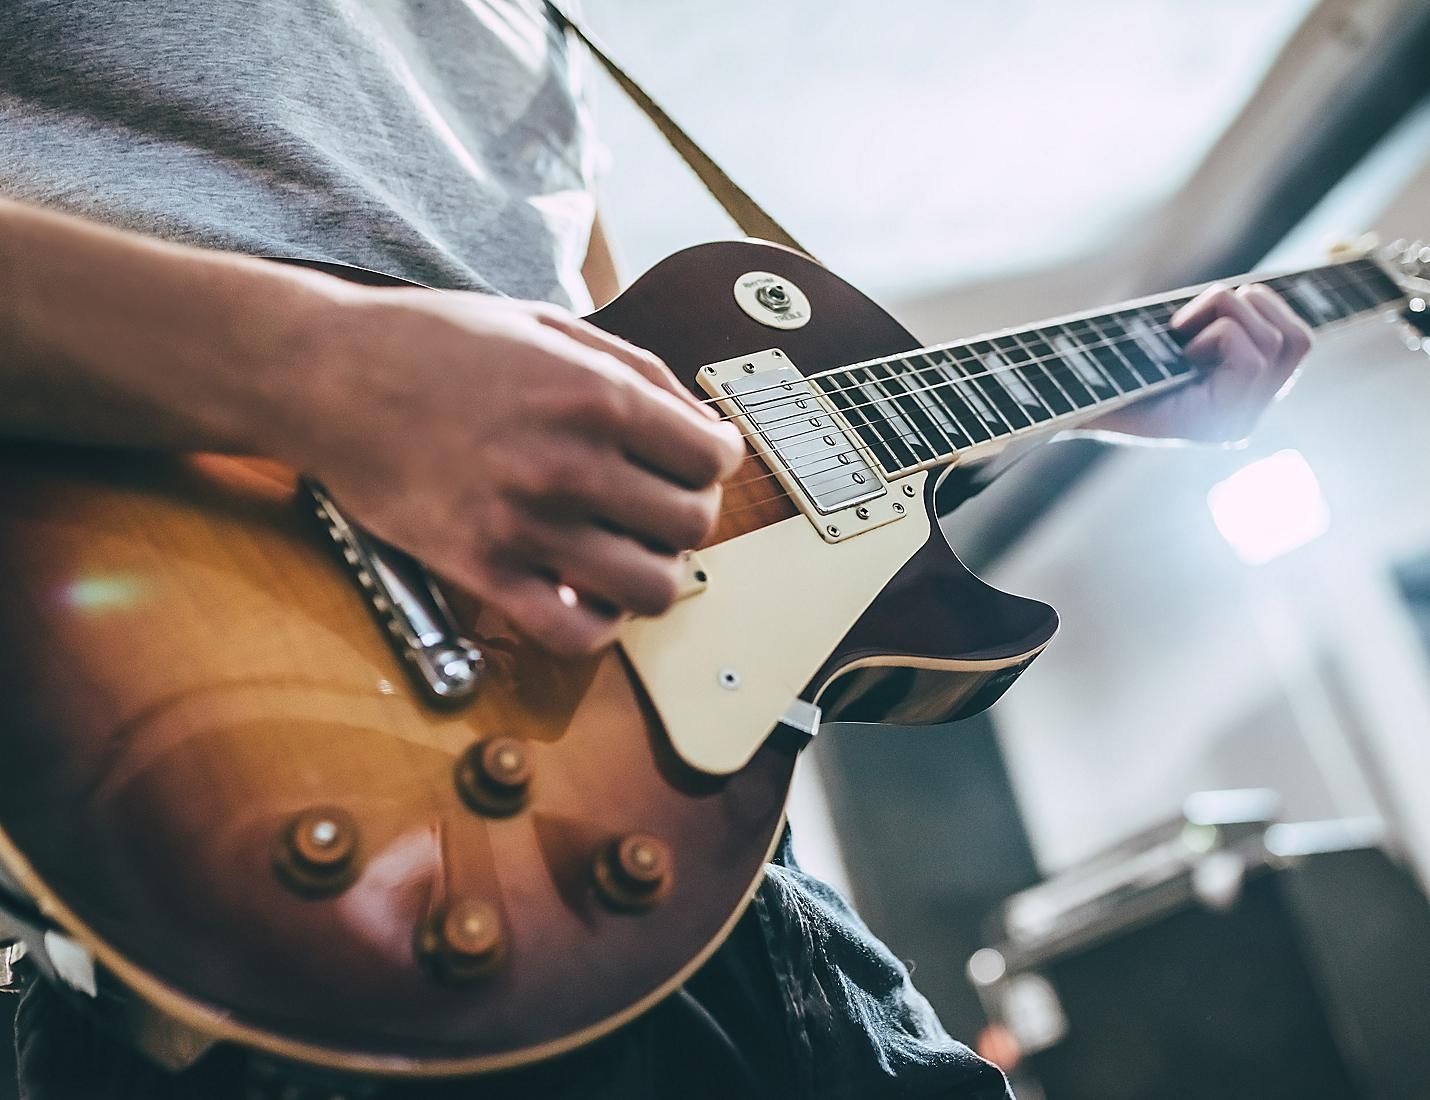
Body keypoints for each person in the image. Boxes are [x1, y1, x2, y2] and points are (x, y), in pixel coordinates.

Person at [0, 2, 1313, 1097]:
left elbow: (672, 423)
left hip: (666, 852)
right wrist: (317, 368)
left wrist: (1071, 405)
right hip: (229, 796)